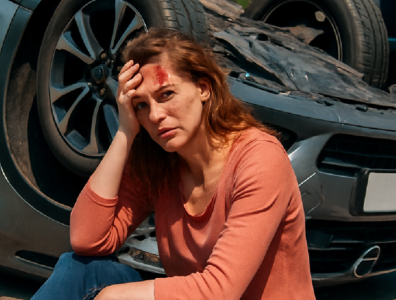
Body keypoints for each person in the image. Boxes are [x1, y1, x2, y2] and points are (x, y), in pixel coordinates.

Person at [32, 28, 315, 300]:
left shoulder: (259, 159)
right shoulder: (162, 163)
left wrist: (114, 296)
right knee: (82, 270)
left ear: (203, 88)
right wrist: (125, 133)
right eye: (141, 105)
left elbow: (219, 291)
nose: (155, 115)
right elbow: (87, 240)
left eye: (166, 95)